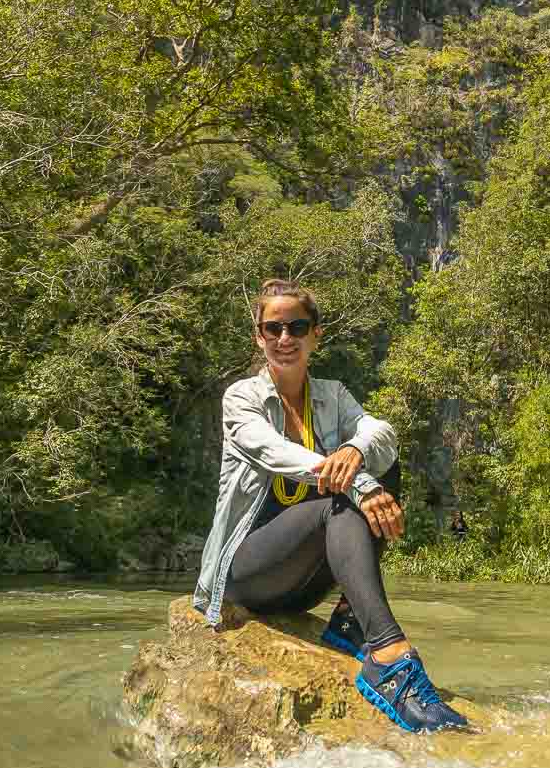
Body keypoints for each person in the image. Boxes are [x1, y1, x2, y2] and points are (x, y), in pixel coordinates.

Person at [190, 278, 468, 734]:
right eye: (273, 328)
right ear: (259, 336)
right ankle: (386, 652)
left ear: (315, 334)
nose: (285, 339)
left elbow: (382, 433)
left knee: (380, 461)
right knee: (344, 495)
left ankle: (351, 621)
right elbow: (273, 452)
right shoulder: (241, 398)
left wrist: (357, 454)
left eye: (297, 327)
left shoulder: (333, 395)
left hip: (304, 580)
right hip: (246, 573)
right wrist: (356, 482)